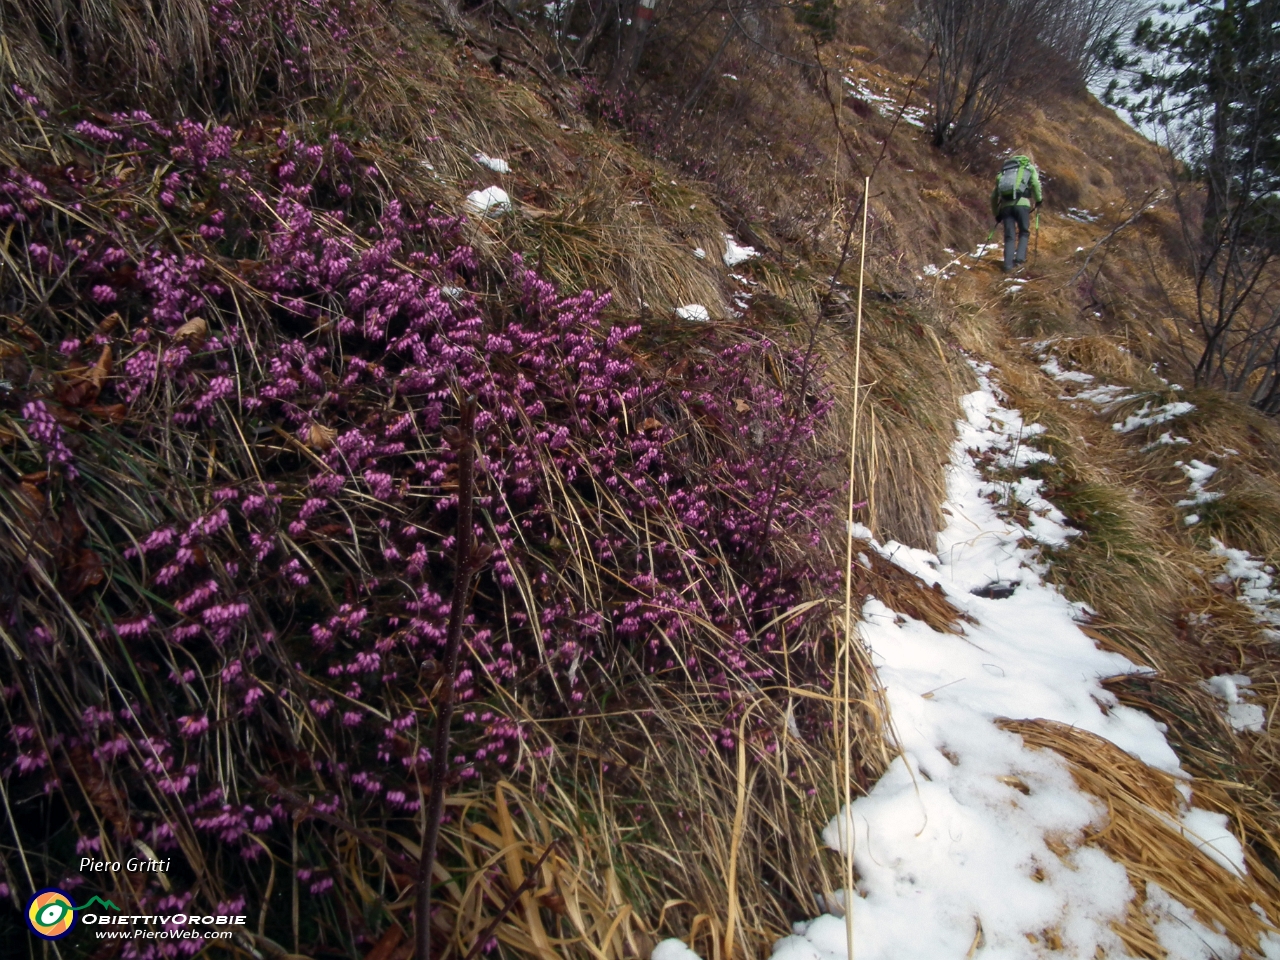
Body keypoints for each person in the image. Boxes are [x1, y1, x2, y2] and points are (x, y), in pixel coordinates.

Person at [990, 152, 1042, 273]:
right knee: (1024, 232)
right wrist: (1039, 200)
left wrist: (996, 213)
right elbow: (1035, 184)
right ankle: (1019, 260)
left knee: (1009, 236)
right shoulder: (1028, 168)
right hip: (1022, 204)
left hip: (1005, 207)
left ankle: (1007, 266)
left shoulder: (1004, 172)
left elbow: (993, 196)